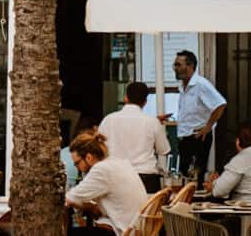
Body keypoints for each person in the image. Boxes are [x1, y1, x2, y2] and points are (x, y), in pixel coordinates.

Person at [63, 128, 147, 236]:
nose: (78, 168)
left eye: (77, 163)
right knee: (85, 233)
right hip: (138, 232)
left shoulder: (100, 170)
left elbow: (71, 198)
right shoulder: (119, 163)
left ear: (88, 157)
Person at [164, 50, 225, 187]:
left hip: (197, 136)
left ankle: (193, 203)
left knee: (195, 176)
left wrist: (208, 127)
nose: (175, 68)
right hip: (185, 137)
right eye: (175, 65)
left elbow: (220, 104)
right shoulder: (184, 86)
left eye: (178, 65)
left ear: (190, 66)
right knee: (185, 175)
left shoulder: (201, 84)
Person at [99, 81, 169, 192]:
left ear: (125, 98)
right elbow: (163, 150)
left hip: (115, 176)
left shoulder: (108, 120)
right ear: (145, 102)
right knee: (148, 209)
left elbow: (99, 148)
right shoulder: (152, 122)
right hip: (146, 178)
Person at [210, 122, 251, 202]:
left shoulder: (242, 159)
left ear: (237, 142)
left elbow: (219, 191)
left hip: (244, 210)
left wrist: (214, 183)